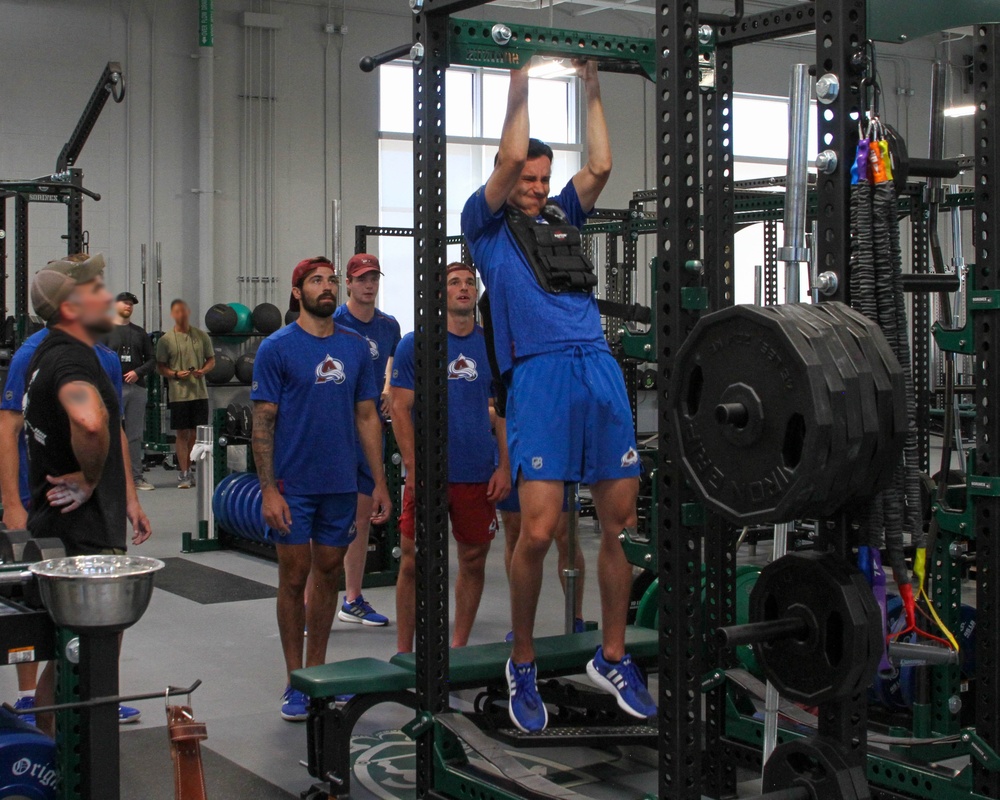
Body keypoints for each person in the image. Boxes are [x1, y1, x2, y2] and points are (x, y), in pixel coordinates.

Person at [461, 61, 655, 732]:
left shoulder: (561, 216)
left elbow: (600, 164)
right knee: (539, 529)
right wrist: (520, 82)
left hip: (595, 366)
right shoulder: (483, 229)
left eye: (544, 179)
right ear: (507, 178)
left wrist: (594, 85)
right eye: (527, 178)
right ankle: (522, 659)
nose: (536, 188)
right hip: (539, 376)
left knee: (622, 525)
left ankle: (612, 653)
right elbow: (512, 150)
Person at [251, 256, 392, 722]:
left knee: (328, 573)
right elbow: (263, 422)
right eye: (316, 281)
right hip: (293, 485)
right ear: (297, 293)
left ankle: (318, 674)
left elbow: (368, 417)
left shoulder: (354, 348)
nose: (326, 287)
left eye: (331, 280)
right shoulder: (277, 348)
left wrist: (379, 483)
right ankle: (295, 680)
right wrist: (268, 491)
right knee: (294, 577)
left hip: (341, 483)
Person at [20, 253, 153, 734]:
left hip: (78, 525)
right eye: (94, 288)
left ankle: (50, 759)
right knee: (83, 655)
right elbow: (90, 421)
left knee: (72, 658)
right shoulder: (70, 359)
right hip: (80, 533)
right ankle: (65, 767)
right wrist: (91, 480)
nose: (106, 295)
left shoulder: (55, 351)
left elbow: (106, 422)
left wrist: (128, 497)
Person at [390, 263, 511, 654]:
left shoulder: (489, 345)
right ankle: (405, 653)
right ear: (440, 295)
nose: (464, 288)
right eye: (454, 282)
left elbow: (505, 412)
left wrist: (505, 465)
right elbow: (399, 407)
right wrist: (412, 467)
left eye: (469, 283)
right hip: (429, 473)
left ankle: (458, 649)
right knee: (412, 561)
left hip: (477, 469)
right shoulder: (416, 343)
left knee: (474, 558)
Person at [332, 253, 401, 627]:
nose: (368, 284)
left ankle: (353, 598)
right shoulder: (333, 323)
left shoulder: (388, 325)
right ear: (348, 284)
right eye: (361, 279)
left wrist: (388, 387)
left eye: (373, 277)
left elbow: (390, 361)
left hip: (369, 429)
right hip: (335, 430)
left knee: (360, 518)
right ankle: (313, 604)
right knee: (327, 521)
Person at [499, 489, 586, 642]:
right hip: (515, 466)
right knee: (515, 533)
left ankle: (576, 619)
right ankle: (520, 626)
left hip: (560, 465)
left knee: (567, 535)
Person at [155, 299, 214, 488]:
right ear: (173, 315)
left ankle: (193, 468)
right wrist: (174, 374)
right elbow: (160, 367)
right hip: (178, 394)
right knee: (182, 433)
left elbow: (211, 360)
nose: (182, 315)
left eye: (184, 312)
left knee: (197, 434)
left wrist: (203, 371)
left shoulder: (201, 336)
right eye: (177, 312)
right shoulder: (166, 340)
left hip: (199, 393)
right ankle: (184, 473)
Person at [105, 291, 156, 491]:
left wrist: (137, 372)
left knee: (134, 435)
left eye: (131, 304)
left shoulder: (139, 333)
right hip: (112, 388)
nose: (128, 306)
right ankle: (111, 478)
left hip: (136, 388)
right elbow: (96, 357)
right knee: (110, 433)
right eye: (125, 303)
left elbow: (152, 360)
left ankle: (136, 478)